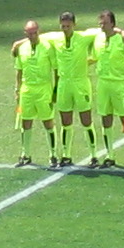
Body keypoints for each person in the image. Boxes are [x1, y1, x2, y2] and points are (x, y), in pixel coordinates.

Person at [44, 11, 99, 166]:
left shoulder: (84, 37)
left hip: (80, 83)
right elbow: (35, 36)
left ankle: (94, 155)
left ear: (74, 25)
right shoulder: (55, 38)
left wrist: (122, 32)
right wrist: (19, 43)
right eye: (63, 26)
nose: (65, 28)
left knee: (86, 120)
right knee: (65, 121)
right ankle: (66, 155)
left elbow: (104, 30)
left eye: (68, 26)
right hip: (63, 84)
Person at [92, 10, 124, 169]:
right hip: (103, 84)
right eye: (100, 23)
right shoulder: (98, 39)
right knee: (105, 118)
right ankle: (109, 155)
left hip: (119, 85)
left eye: (104, 23)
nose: (102, 26)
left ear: (112, 23)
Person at [9, 19, 58, 167]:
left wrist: (55, 90)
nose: (32, 35)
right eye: (29, 33)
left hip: (44, 89)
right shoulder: (22, 49)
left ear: (39, 32)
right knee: (26, 121)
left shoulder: (48, 47)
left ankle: (53, 155)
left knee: (48, 121)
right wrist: (17, 89)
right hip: (27, 89)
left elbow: (56, 70)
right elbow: (19, 70)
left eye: (34, 32)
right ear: (25, 33)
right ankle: (26, 154)